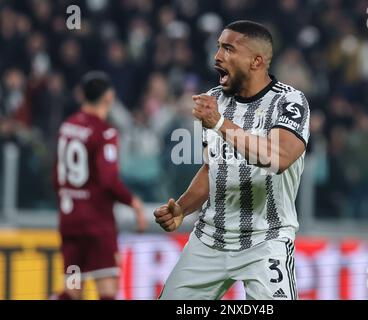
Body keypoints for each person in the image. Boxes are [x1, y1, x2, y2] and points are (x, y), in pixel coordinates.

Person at [154, 20, 310, 300]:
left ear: (256, 61)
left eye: (228, 49)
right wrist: (182, 208)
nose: (217, 57)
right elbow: (212, 167)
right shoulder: (214, 99)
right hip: (209, 240)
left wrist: (219, 124)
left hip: (265, 240)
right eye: (218, 47)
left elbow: (279, 157)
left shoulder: (289, 101)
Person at [53, 71, 148, 300]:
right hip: (96, 226)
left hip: (70, 221)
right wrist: (133, 202)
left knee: (72, 289)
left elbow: (56, 176)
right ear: (109, 97)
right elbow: (108, 180)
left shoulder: (67, 127)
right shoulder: (104, 132)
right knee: (107, 289)